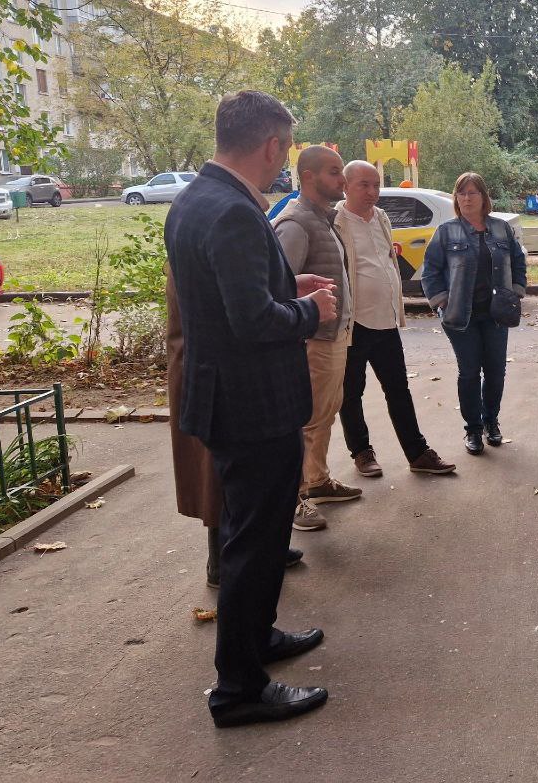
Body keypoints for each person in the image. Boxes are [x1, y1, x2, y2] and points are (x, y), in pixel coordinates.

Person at [165, 89, 337, 728]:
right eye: (285, 150)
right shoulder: (235, 210)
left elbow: (221, 294)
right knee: (254, 543)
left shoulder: (194, 200)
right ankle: (238, 687)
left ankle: (257, 637)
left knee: (251, 536)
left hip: (224, 399)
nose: (283, 162)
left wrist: (285, 285)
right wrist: (308, 312)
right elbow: (250, 322)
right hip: (253, 405)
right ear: (270, 146)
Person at [165, 271, 304, 587]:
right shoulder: (201, 246)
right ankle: (223, 563)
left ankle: (262, 549)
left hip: (213, 371)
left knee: (245, 477)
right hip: (209, 376)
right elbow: (240, 313)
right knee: (218, 478)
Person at [335, 161, 454, 477]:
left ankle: (417, 453)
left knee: (398, 389)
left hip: (386, 320)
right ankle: (361, 452)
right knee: (350, 393)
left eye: (375, 185)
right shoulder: (335, 221)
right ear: (345, 186)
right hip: (354, 324)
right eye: (364, 185)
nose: (372, 192)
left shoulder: (382, 217)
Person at [274, 145, 362, 532]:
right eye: (333, 171)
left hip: (333, 334)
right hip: (313, 340)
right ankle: (292, 501)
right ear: (308, 177)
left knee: (324, 413)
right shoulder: (295, 223)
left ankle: (317, 481)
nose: (341, 179)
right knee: (306, 420)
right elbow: (275, 290)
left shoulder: (323, 219)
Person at [422, 172, 527, 455]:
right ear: (456, 199)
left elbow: (518, 261)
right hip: (460, 316)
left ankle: (491, 422)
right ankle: (472, 429)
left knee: (495, 372)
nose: (467, 198)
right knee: (469, 373)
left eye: (472, 192)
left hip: (496, 314)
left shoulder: (501, 229)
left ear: (484, 197)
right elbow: (430, 272)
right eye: (461, 193)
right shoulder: (446, 232)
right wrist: (442, 301)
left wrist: (516, 291)